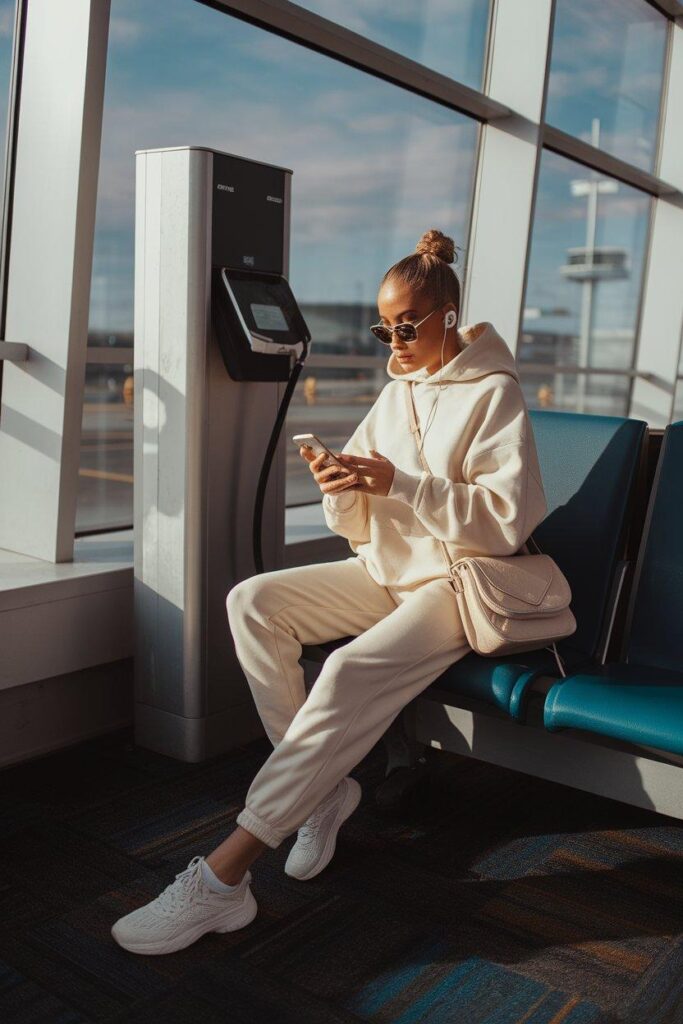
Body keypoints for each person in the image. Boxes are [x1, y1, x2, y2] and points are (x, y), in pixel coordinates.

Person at [111, 228, 548, 956]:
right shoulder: (396, 390)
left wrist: (398, 483)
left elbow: (505, 524)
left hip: (455, 582)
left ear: (447, 317)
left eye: (406, 327)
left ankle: (222, 881)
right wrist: (342, 488)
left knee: (344, 671)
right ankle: (322, 791)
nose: (393, 342)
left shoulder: (494, 395)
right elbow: (358, 527)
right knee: (253, 602)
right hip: (388, 571)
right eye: (383, 327)